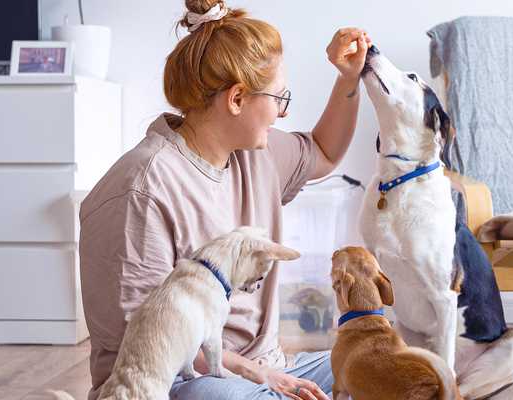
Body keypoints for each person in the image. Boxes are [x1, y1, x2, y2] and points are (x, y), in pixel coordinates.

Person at [78, 1, 371, 399]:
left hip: (264, 371)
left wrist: (348, 78)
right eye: (278, 98)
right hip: (179, 383)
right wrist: (258, 376)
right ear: (236, 99)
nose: (283, 113)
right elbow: (151, 343)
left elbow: (323, 150)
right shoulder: (140, 190)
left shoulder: (257, 155)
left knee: (378, 361)